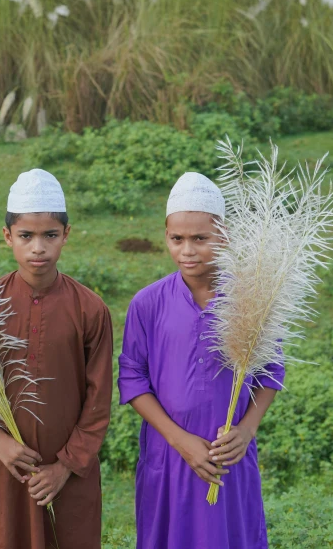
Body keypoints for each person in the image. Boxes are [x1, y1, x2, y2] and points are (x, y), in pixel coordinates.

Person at [118, 172, 284, 549]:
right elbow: (132, 379)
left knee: (229, 535)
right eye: (177, 239)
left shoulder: (250, 300)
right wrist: (180, 441)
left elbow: (272, 371)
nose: (187, 250)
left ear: (223, 237)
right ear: (166, 237)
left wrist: (246, 430)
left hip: (228, 454)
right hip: (168, 453)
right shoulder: (148, 303)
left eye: (200, 239)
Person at [0, 168, 113, 549]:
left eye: (49, 235)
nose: (38, 247)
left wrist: (65, 467)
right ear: (8, 237)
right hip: (5, 466)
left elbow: (98, 396)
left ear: (65, 236)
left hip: (70, 476)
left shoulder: (90, 309)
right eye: (26, 236)